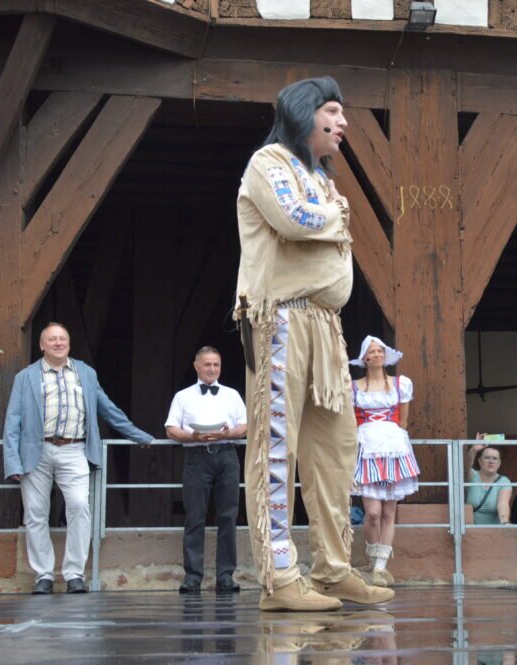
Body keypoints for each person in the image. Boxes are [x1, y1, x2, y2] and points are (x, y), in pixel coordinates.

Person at [235, 76, 393, 611]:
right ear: (304, 114)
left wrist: (330, 211)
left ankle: (332, 568)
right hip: (279, 319)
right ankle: (280, 577)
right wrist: (337, 215)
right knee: (276, 447)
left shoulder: (320, 177)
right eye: (332, 111)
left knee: (335, 447)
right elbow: (293, 219)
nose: (343, 122)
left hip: (325, 324)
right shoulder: (269, 163)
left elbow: (311, 223)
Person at [3, 322, 153, 594]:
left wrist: (137, 435)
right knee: (35, 514)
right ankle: (43, 576)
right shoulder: (25, 377)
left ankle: (74, 574)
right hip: (36, 451)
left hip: (75, 449)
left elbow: (107, 408)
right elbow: (12, 421)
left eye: (62, 339)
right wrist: (13, 461)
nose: (58, 343)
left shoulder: (86, 373)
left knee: (79, 507)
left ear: (69, 344)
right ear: (42, 345)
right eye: (52, 339)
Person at [164, 346, 247, 595]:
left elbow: (244, 426)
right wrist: (193, 436)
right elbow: (171, 429)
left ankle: (225, 575)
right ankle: (192, 576)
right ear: (196, 366)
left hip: (227, 456)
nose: (212, 369)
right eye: (207, 364)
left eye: (216, 364)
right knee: (195, 517)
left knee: (228, 516)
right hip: (196, 457)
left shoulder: (232, 394)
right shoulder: (183, 396)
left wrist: (228, 433)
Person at [349, 335, 420, 587]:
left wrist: (391, 439)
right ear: (364, 358)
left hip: (392, 449)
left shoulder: (401, 384)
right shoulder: (354, 387)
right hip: (366, 448)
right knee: (373, 513)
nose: (376, 354)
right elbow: (350, 421)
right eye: (371, 352)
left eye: (380, 350)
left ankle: (380, 567)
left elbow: (403, 421)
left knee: (389, 512)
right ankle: (372, 558)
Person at [465, 438, 512, 525]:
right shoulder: (473, 476)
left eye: (495, 458)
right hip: (471, 530)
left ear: (499, 463)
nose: (491, 461)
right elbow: (465, 467)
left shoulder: (504, 481)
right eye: (487, 458)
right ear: (480, 461)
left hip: (494, 531)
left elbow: (503, 504)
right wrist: (474, 450)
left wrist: (505, 521)